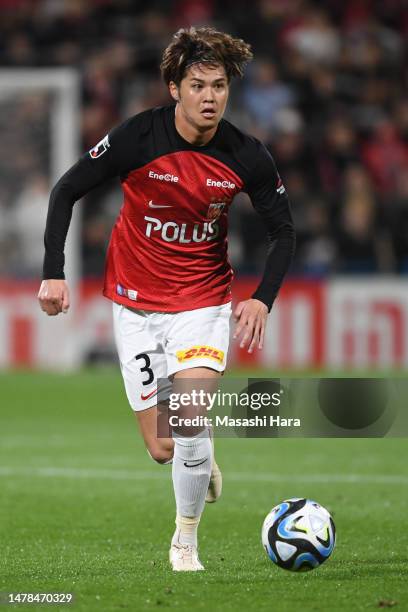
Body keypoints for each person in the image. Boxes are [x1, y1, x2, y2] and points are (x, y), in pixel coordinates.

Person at [38, 27, 295, 571]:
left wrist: (262, 299)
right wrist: (54, 272)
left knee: (188, 421)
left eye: (219, 86)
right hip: (134, 304)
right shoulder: (137, 137)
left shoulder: (246, 155)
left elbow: (284, 232)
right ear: (174, 88)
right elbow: (66, 190)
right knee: (163, 448)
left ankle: (185, 541)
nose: (210, 97)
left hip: (202, 302)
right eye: (198, 85)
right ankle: (199, 458)